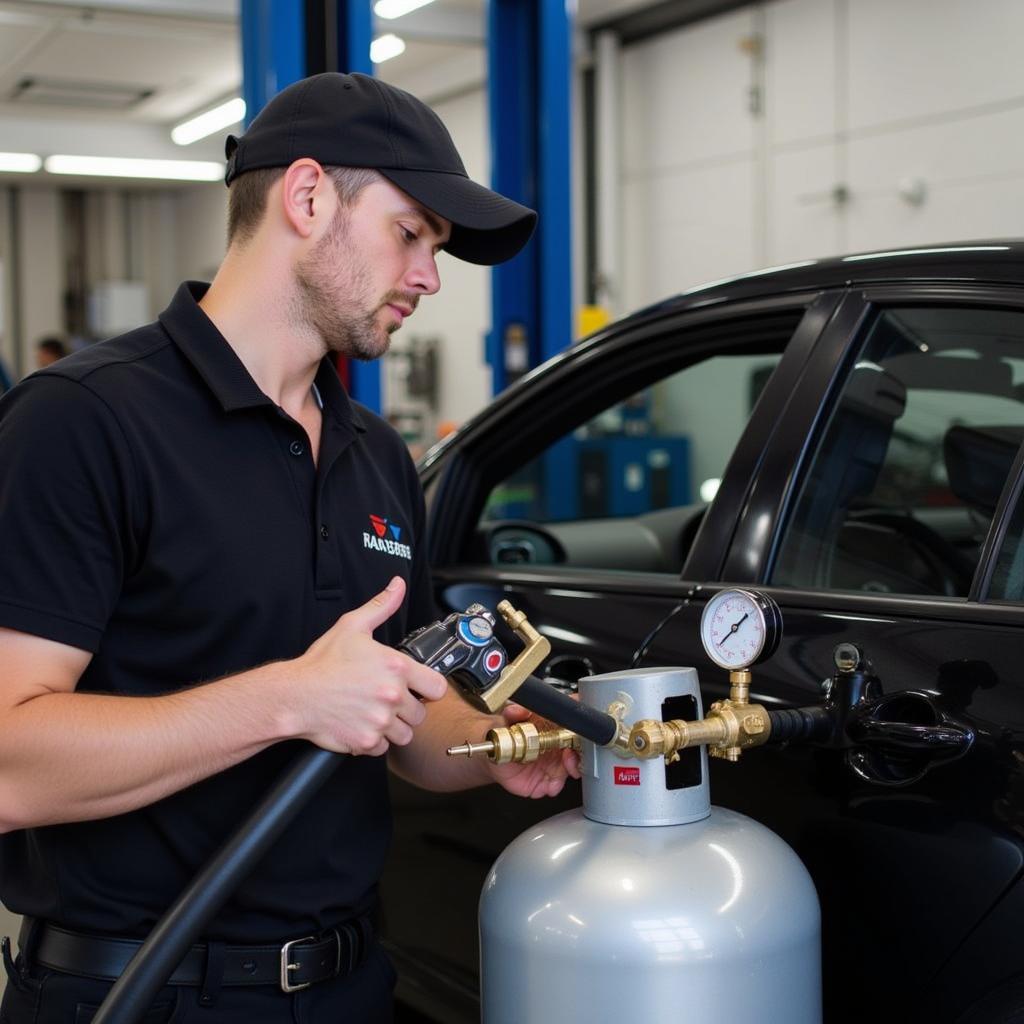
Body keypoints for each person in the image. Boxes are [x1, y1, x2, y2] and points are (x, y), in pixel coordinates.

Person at [0, 72, 578, 1023]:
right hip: (141, 993)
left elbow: (407, 722)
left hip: (351, 985)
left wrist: (502, 741)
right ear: (308, 197)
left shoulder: (376, 454)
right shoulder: (84, 423)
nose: (430, 277)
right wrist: (286, 700)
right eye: (411, 233)